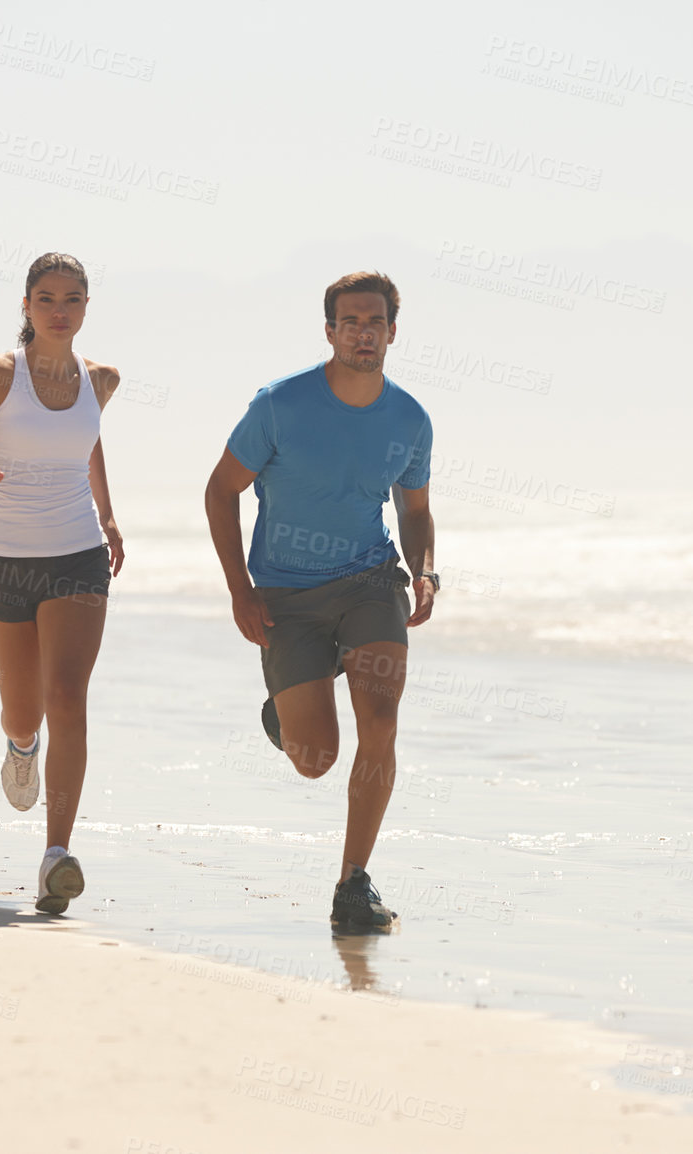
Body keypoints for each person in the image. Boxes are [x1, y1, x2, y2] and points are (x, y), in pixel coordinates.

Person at [203, 270, 438, 930]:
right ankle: (288, 711)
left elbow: (414, 510)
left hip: (370, 582)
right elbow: (219, 491)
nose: (363, 333)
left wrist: (423, 571)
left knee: (382, 718)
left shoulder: (410, 419)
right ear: (330, 330)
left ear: (392, 331)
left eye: (375, 322)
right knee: (315, 761)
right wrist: (238, 591)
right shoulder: (279, 405)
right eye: (350, 322)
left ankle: (352, 885)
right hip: (287, 596)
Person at [0, 252, 124, 914]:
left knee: (68, 694)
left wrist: (108, 514)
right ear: (26, 306)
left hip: (78, 556)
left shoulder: (102, 379)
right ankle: (21, 748)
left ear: (86, 307)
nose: (59, 309)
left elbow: (87, 442)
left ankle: (55, 858)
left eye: (72, 298)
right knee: (26, 711)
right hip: (5, 560)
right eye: (45, 298)